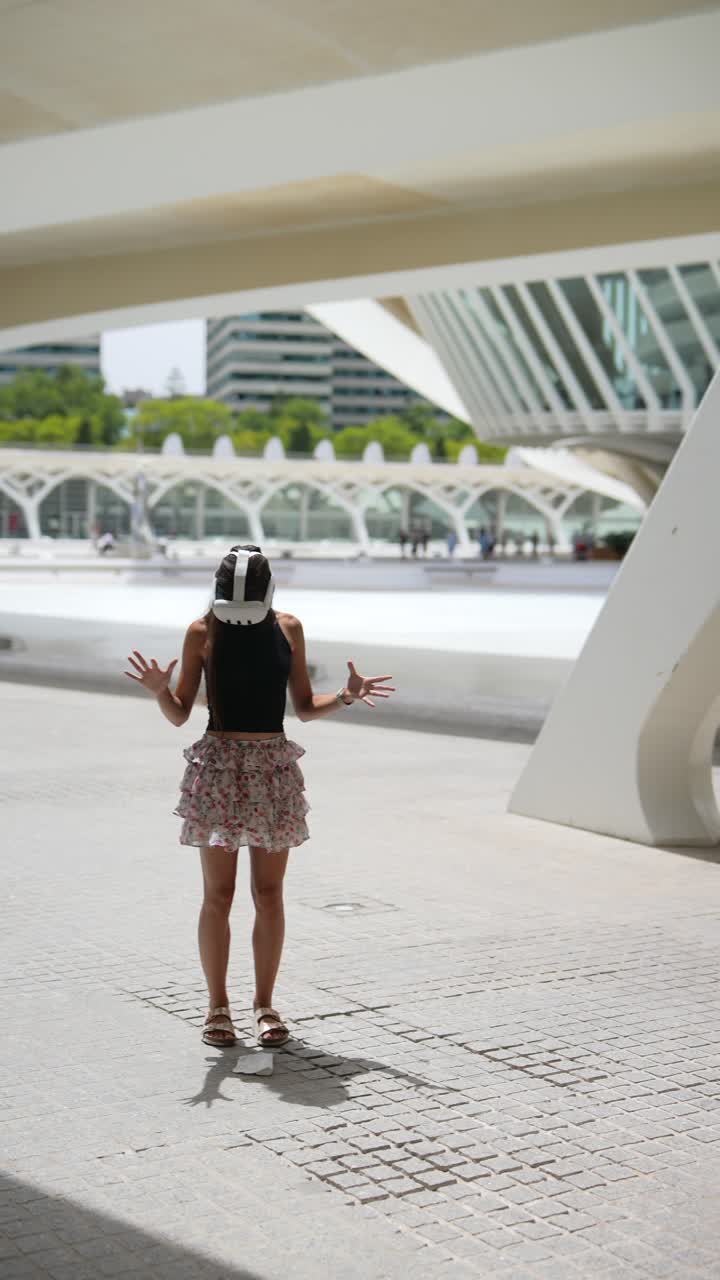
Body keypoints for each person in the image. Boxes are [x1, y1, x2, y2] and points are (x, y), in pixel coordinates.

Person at [124, 544, 395, 1051]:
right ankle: (217, 1007)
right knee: (218, 896)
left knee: (268, 896)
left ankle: (265, 1004)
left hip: (271, 766)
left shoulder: (288, 628)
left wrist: (348, 695)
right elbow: (181, 712)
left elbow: (305, 708)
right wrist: (161, 690)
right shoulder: (201, 631)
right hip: (221, 766)